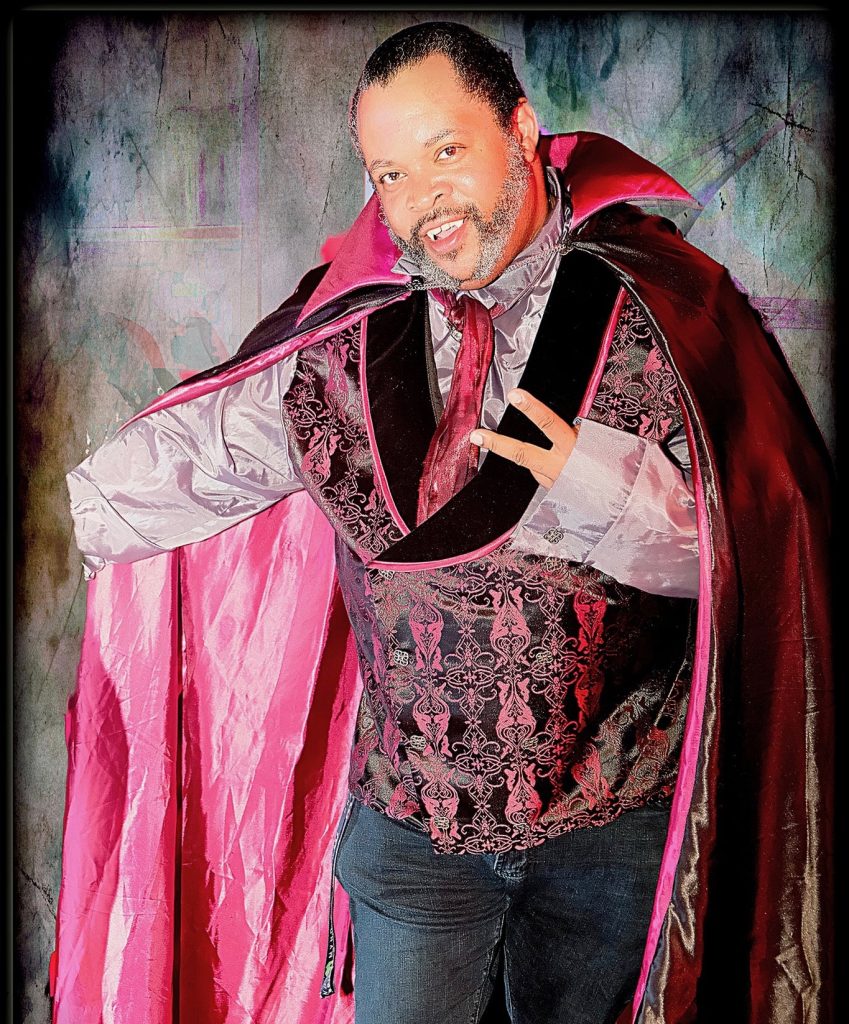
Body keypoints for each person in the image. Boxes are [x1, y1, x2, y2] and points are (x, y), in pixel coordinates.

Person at [51, 21, 832, 1024]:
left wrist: (588, 480)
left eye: (446, 151)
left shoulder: (663, 311)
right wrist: (79, 511)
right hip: (412, 843)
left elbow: (752, 562)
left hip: (613, 838)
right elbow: (199, 460)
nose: (425, 198)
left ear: (521, 129)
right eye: (392, 174)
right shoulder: (346, 336)